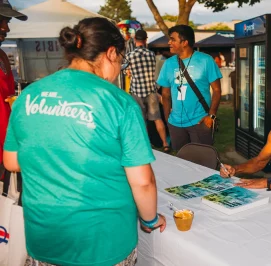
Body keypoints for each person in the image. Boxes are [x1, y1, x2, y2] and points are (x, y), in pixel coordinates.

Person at [3, 17, 166, 266]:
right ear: (111, 53)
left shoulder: (29, 95)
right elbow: (143, 182)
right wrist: (150, 220)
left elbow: (12, 161)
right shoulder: (119, 102)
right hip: (104, 243)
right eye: (121, 61)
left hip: (45, 239)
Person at [158, 25, 222, 151]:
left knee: (203, 161)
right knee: (182, 162)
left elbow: (217, 90)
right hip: (175, 123)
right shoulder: (168, 64)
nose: (169, 42)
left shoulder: (205, 60)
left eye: (173, 39)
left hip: (200, 122)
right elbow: (165, 94)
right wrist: (168, 120)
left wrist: (212, 115)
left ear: (185, 42)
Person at [125, 29, 170, 152]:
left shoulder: (130, 56)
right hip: (151, 90)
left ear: (135, 40)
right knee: (157, 118)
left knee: (141, 120)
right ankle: (165, 143)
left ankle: (147, 145)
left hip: (137, 91)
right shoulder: (151, 55)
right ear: (145, 40)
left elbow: (126, 71)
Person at [0, 2, 27, 179]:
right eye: (1, 20)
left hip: (6, 149)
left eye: (7, 21)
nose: (6, 28)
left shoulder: (2, 55)